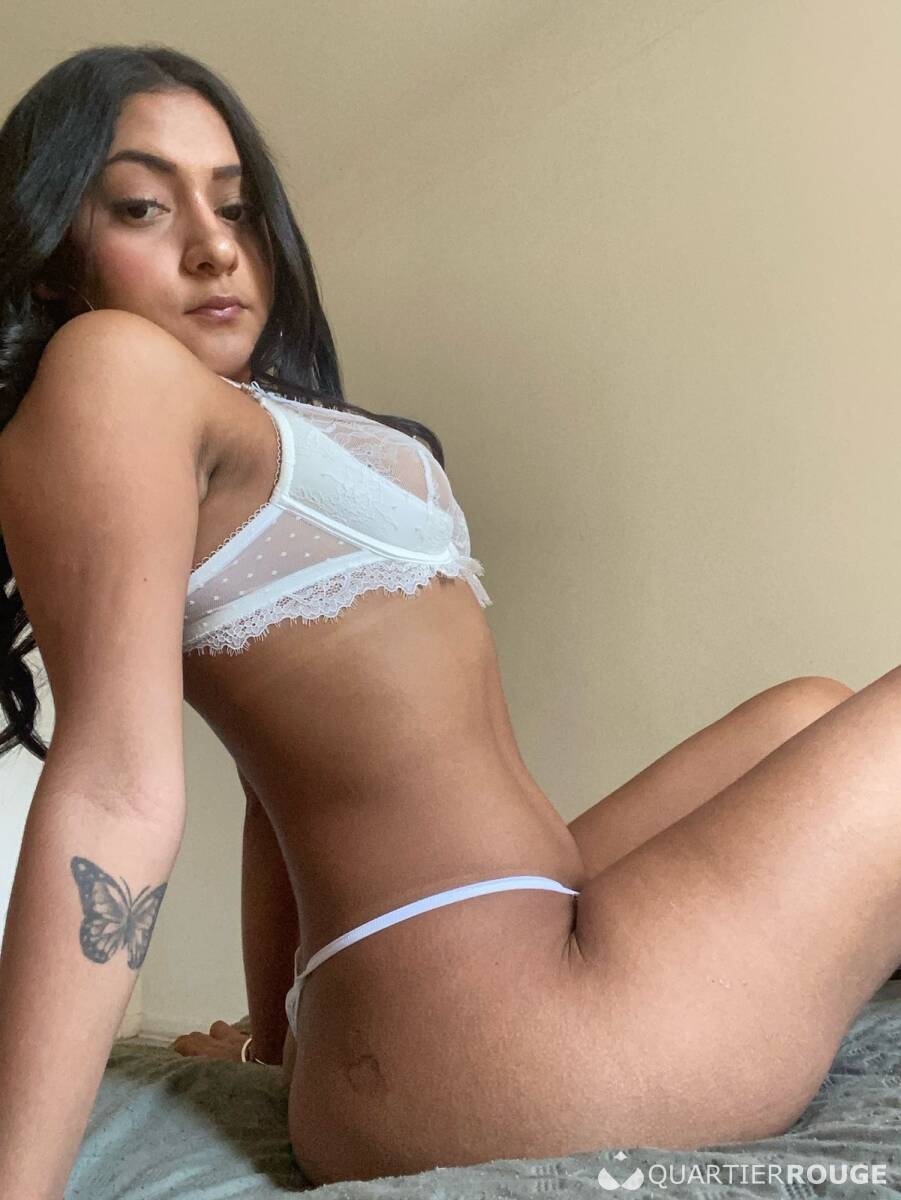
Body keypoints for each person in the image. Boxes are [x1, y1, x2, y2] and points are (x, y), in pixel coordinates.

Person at [0, 42, 900, 1195]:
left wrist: (276, 1043)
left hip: (487, 968)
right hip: (510, 1045)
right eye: (141, 205)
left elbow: (283, 787)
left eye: (236, 206)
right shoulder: (108, 368)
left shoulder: (251, 416)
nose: (214, 245)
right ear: (50, 262)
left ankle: (339, 1048)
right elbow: (115, 792)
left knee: (805, 714)